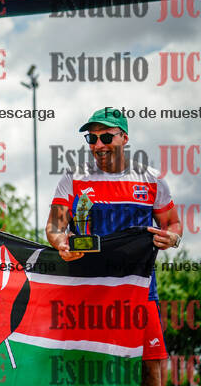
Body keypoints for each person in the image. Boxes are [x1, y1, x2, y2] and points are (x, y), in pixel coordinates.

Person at [45, 107, 183, 386]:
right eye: (92, 139)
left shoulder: (150, 179)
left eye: (106, 137)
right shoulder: (74, 177)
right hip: (86, 289)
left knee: (149, 369)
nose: (98, 145)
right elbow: (54, 227)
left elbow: (173, 224)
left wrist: (173, 238)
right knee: (84, 368)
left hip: (139, 289)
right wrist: (61, 243)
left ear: (124, 138)